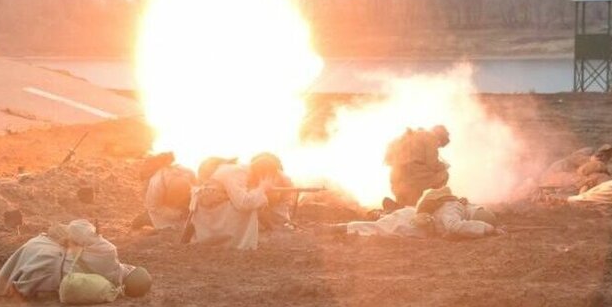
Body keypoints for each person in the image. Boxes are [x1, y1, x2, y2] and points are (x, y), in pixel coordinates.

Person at [0, 219, 151, 299]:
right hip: (49, 279)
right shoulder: (108, 289)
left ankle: (1, 281)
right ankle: (12, 285)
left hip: (45, 256)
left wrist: (87, 229)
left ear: (131, 268)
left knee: (38, 245)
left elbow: (76, 228)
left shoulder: (110, 252)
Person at [185, 154, 282, 250]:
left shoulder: (241, 172)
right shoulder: (237, 173)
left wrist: (259, 191)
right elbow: (243, 203)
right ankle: (236, 243)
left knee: (253, 201)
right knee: (250, 207)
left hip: (213, 207)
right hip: (212, 211)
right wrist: (262, 188)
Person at [323, 187, 498, 239]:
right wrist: (488, 229)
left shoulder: (454, 206)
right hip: (410, 223)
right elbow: (455, 226)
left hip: (411, 217)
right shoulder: (454, 208)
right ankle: (336, 228)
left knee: (383, 223)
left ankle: (382, 213)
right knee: (378, 228)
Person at [385, 125, 450, 208]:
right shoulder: (431, 137)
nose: (438, 146)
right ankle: (434, 201)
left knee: (406, 205)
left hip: (396, 179)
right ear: (440, 136)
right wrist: (444, 166)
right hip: (413, 178)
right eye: (439, 144)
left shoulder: (411, 135)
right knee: (444, 174)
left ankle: (399, 207)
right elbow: (432, 164)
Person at [133, 152, 196, 231]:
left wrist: (182, 212)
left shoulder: (157, 180)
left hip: (182, 210)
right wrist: (179, 214)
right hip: (173, 212)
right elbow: (155, 207)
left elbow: (154, 207)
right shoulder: (184, 170)